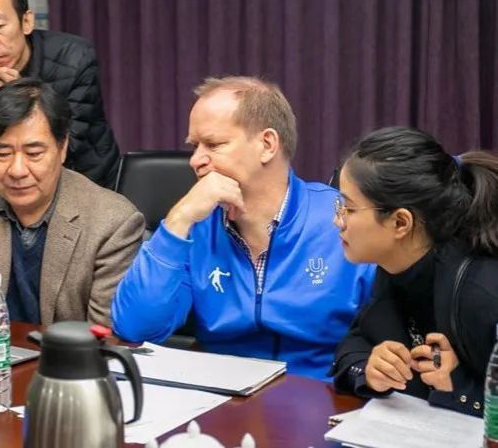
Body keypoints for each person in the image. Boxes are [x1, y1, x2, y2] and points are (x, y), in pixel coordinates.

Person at [111, 76, 375, 380]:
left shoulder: (343, 220)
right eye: (195, 146)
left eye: (214, 145)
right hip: (222, 395)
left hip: (322, 394)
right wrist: (178, 219)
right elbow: (135, 329)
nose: (195, 160)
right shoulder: (193, 227)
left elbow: (386, 338)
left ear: (267, 145)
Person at [0, 79, 144, 326]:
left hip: (65, 351)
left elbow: (104, 331)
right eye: (2, 153)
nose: (17, 170)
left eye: (33, 154)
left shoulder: (112, 221)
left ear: (62, 148)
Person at [330, 127, 498, 416]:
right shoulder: (394, 266)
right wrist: (370, 368)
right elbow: (354, 343)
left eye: (349, 208)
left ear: (400, 223)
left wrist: (460, 388)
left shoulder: (482, 292)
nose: (337, 220)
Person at [0, 0, 121, 188]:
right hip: (18, 184)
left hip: (89, 178)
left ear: (26, 22)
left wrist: (20, 94)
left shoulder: (75, 57)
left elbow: (67, 145)